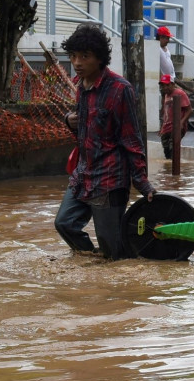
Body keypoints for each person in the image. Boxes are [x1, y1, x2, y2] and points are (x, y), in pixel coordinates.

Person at [54, 24, 156, 259]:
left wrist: (142, 183)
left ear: (99, 58)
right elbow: (84, 131)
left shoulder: (120, 89)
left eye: (84, 56)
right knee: (64, 224)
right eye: (73, 56)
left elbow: (132, 140)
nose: (77, 63)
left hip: (109, 179)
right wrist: (69, 120)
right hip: (83, 174)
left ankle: (118, 277)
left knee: (113, 250)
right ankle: (91, 264)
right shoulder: (81, 86)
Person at [159, 74, 191, 162]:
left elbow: (189, 110)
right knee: (166, 151)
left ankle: (175, 168)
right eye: (163, 85)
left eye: (167, 85)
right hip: (166, 127)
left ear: (173, 84)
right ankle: (168, 169)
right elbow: (166, 112)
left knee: (173, 149)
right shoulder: (166, 95)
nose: (165, 87)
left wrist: (181, 122)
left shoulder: (179, 93)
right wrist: (162, 127)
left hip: (176, 127)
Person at [156, 25, 175, 122]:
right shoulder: (156, 48)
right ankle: (163, 115)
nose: (168, 40)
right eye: (166, 38)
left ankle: (167, 115)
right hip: (164, 78)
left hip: (171, 77)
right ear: (160, 37)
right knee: (165, 96)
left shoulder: (166, 49)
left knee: (169, 97)